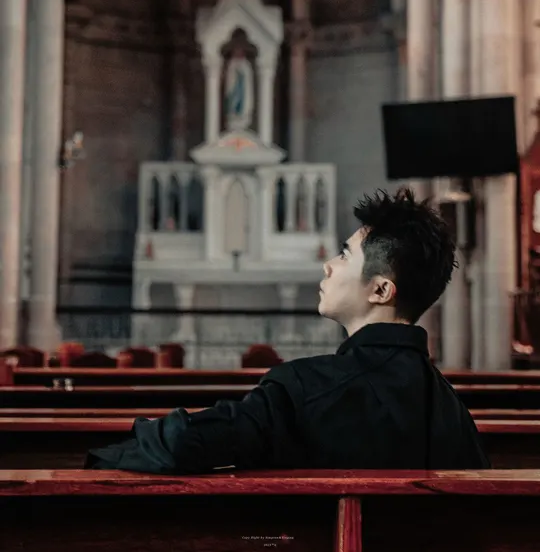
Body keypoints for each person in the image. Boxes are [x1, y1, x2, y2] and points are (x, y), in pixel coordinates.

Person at [85, 188, 490, 473]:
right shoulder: (452, 410)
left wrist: (105, 454)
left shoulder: (303, 388)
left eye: (345, 254)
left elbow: (181, 444)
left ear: (381, 289)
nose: (328, 265)